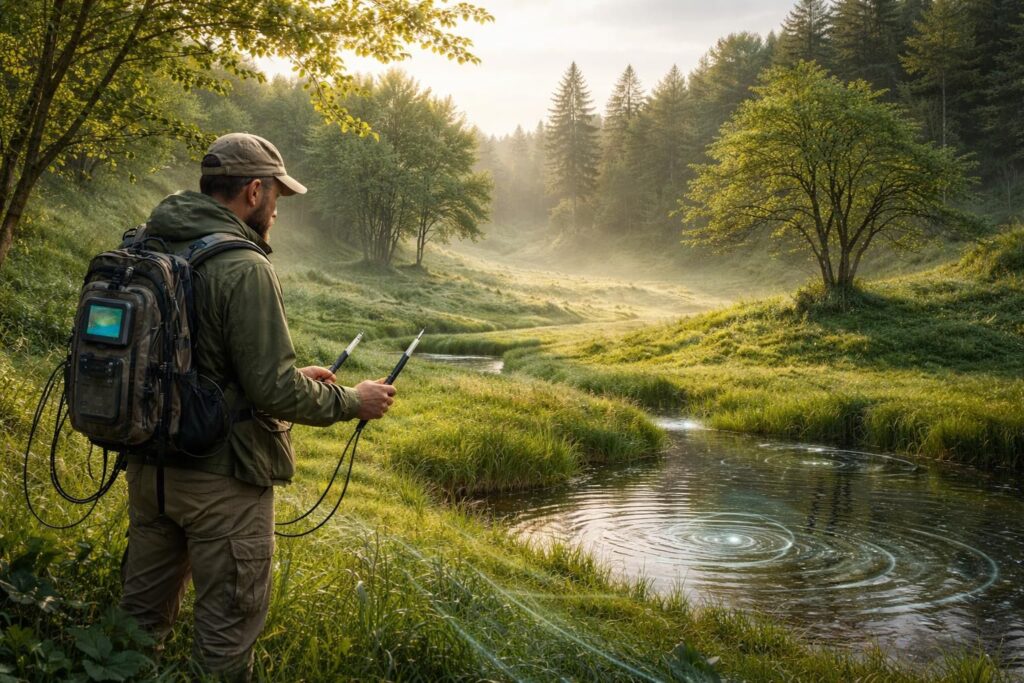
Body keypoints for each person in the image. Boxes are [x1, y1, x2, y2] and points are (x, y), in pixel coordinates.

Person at [118, 133, 396, 681]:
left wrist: (291, 378)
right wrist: (351, 401)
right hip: (221, 483)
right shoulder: (244, 266)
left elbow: (196, 363)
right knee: (226, 635)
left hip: (149, 468)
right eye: (275, 198)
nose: (276, 211)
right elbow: (272, 394)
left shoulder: (148, 244)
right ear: (252, 191)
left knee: (136, 627)